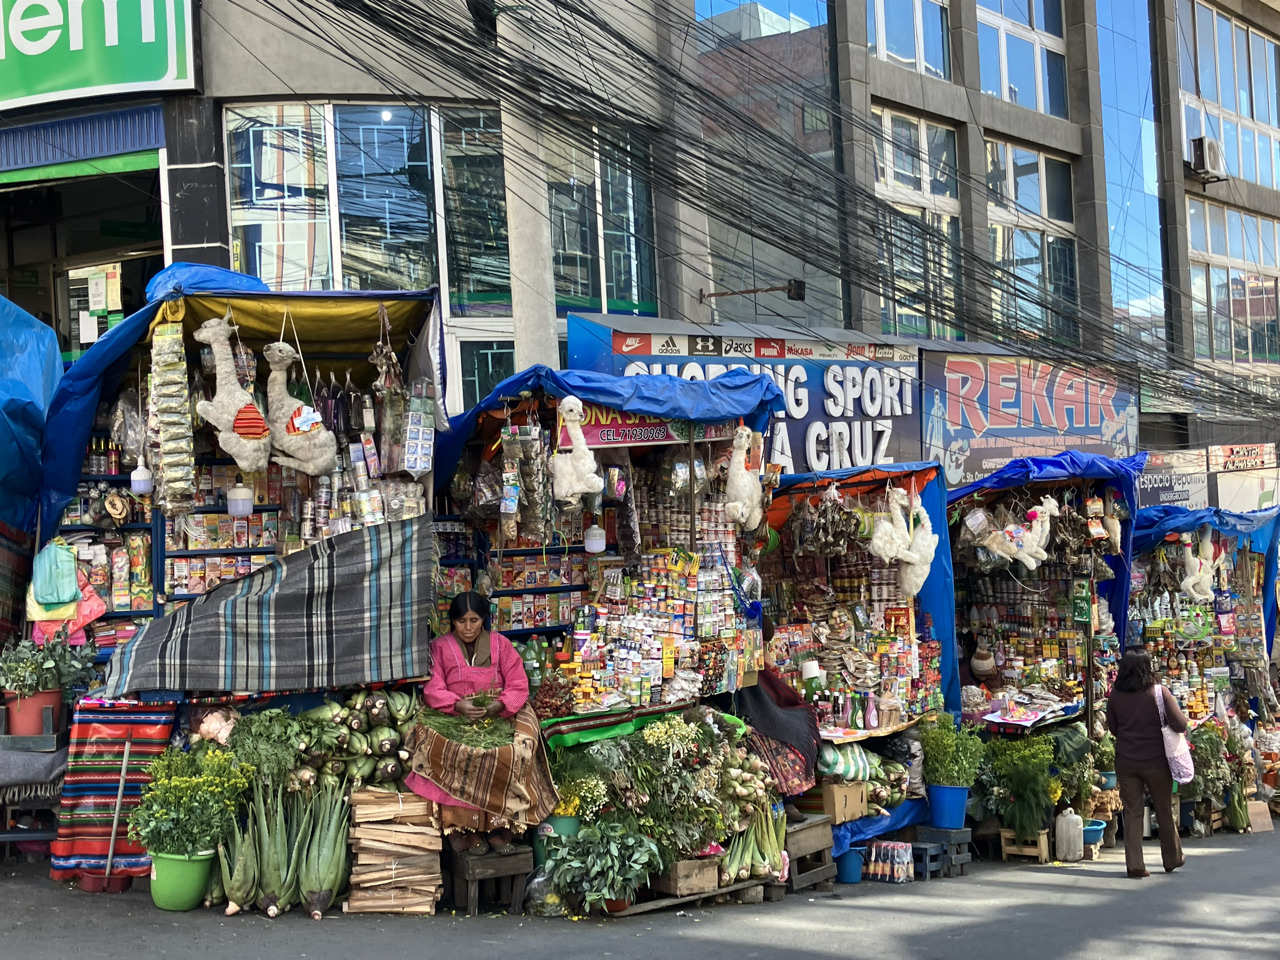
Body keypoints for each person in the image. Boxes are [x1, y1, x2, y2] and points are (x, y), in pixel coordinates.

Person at [404, 591, 557, 855]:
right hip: (453, 713)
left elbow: (518, 683)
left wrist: (499, 705)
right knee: (455, 751)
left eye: (474, 620)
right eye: (461, 621)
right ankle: (462, 828)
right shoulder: (439, 647)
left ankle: (500, 828)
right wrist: (457, 705)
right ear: (452, 622)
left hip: (500, 711)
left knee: (516, 748)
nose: (467, 627)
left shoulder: (500, 644)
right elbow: (432, 687)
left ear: (483, 620)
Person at [1106, 649, 1187, 878]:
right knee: (1163, 809)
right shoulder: (1159, 693)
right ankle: (1171, 859)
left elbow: (1113, 729)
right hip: (1157, 763)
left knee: (1132, 812)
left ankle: (1135, 865)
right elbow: (1180, 724)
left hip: (1126, 762)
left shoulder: (1115, 695)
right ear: (1147, 668)